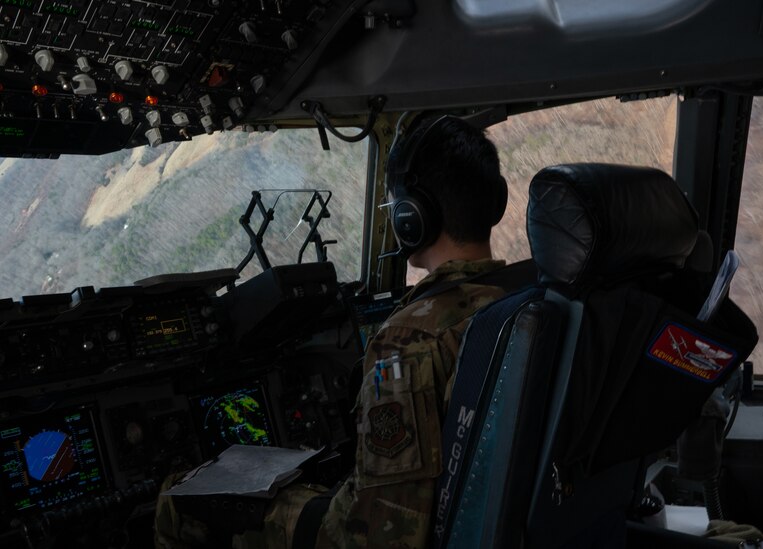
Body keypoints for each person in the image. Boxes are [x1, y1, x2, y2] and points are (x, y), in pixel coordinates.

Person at [155, 115, 510, 548]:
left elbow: (379, 536)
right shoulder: (516, 303)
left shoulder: (408, 342)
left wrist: (283, 505)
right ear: (496, 202)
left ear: (410, 218)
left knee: (180, 500)